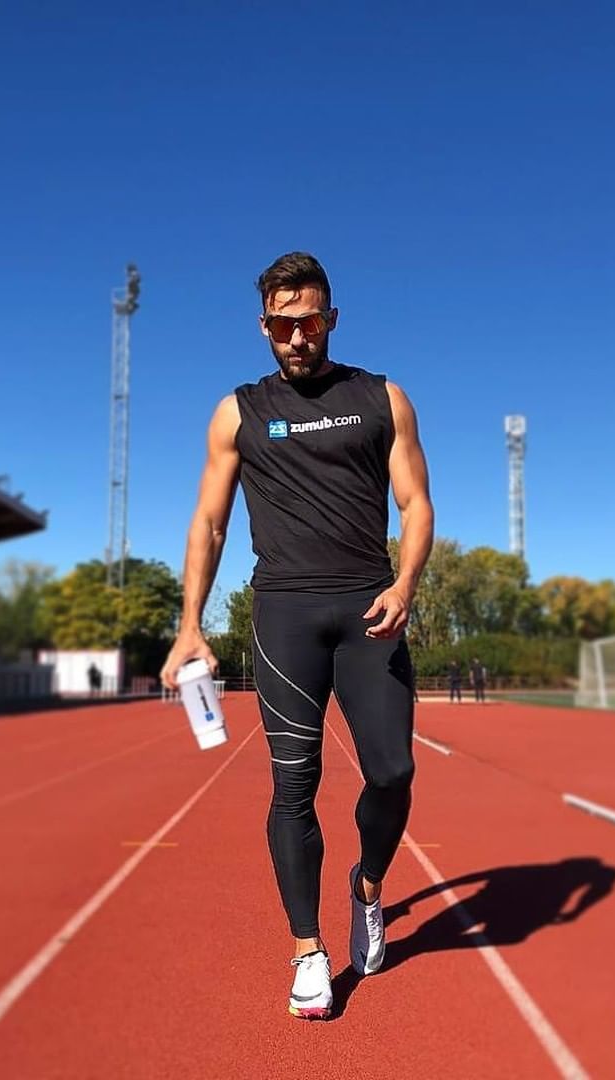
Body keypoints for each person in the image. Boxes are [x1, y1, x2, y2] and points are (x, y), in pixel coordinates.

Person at [161, 252, 434, 1021]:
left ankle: (368, 888)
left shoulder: (381, 397)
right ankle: (307, 951)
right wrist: (189, 626)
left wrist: (405, 585)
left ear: (331, 319)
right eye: (281, 325)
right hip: (284, 613)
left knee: (392, 771)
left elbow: (416, 504)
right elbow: (210, 522)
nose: (296, 337)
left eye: (308, 322)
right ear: (264, 327)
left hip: (368, 607)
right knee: (293, 784)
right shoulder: (238, 412)